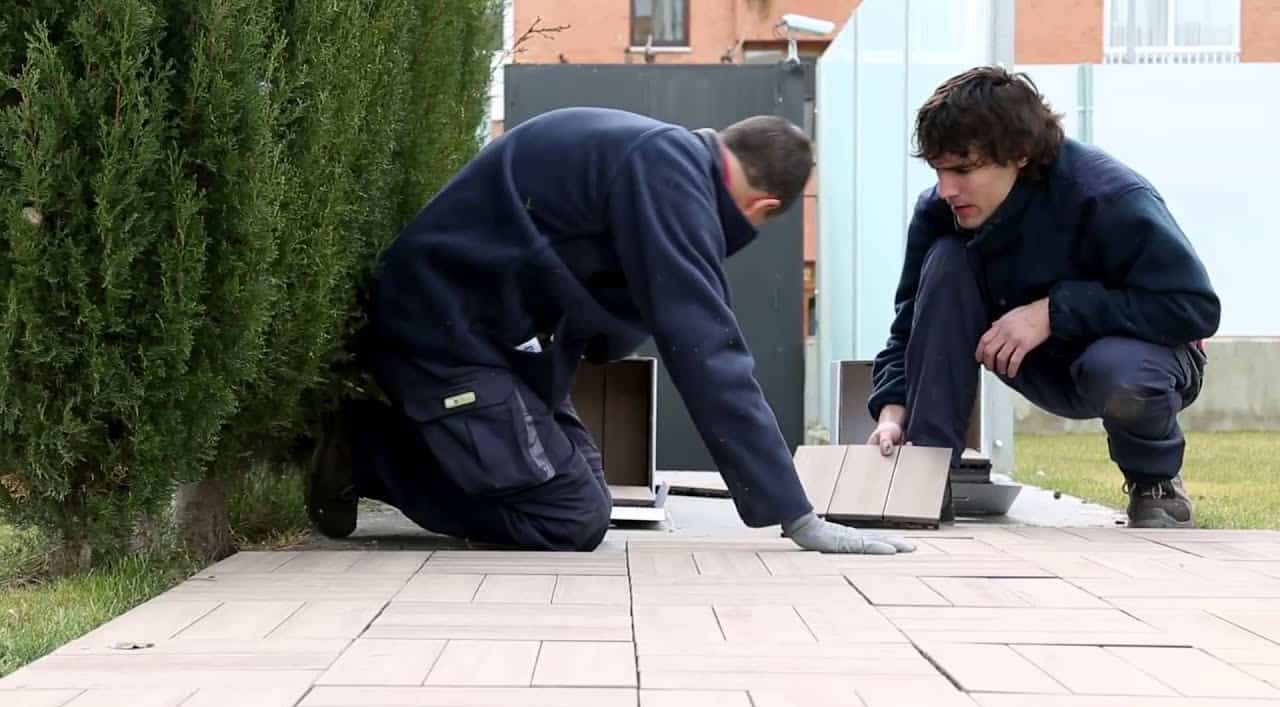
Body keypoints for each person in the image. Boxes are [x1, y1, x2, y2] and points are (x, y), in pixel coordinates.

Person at [306, 106, 916, 554]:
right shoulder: (668, 172)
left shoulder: (655, 161)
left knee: (584, 488)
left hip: (484, 339)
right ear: (764, 211)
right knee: (568, 514)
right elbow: (705, 349)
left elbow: (596, 318)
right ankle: (366, 450)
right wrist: (796, 514)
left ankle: (409, 450)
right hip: (440, 336)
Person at [866, 66, 1219, 528]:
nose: (947, 188)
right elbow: (910, 323)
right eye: (938, 170)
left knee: (1121, 372)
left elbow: (1194, 308)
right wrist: (894, 410)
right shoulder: (940, 212)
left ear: (1020, 154)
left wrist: (1053, 312)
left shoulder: (1107, 196)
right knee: (948, 260)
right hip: (1030, 358)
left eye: (964, 169)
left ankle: (1155, 482)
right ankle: (928, 473)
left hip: (1138, 358)